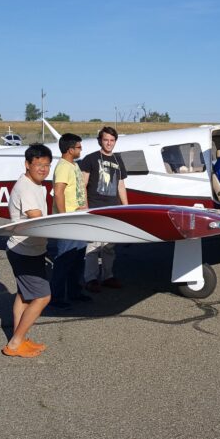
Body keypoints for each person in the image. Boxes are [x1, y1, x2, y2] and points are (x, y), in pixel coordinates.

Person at [2, 144, 54, 358]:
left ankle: (19, 338)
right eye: (38, 164)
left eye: (47, 165)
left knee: (24, 296)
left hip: (30, 249)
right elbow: (37, 218)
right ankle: (14, 344)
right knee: (43, 297)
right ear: (27, 164)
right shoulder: (26, 187)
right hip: (24, 251)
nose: (43, 168)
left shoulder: (38, 185)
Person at [80, 126, 129, 291]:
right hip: (94, 207)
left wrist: (126, 207)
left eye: (112, 140)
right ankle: (90, 279)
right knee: (93, 246)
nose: (109, 143)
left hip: (113, 209)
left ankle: (107, 276)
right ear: (100, 140)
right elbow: (82, 184)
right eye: (106, 140)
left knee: (109, 246)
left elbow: (121, 185)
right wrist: (84, 206)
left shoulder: (118, 160)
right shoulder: (90, 159)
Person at [50, 133, 90, 307]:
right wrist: (63, 217)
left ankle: (75, 292)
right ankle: (56, 298)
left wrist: (87, 211)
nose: (81, 150)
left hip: (79, 219)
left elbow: (81, 190)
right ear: (70, 149)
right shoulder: (63, 167)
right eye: (79, 147)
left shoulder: (74, 166)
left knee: (78, 258)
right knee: (64, 259)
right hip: (69, 220)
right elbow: (58, 193)